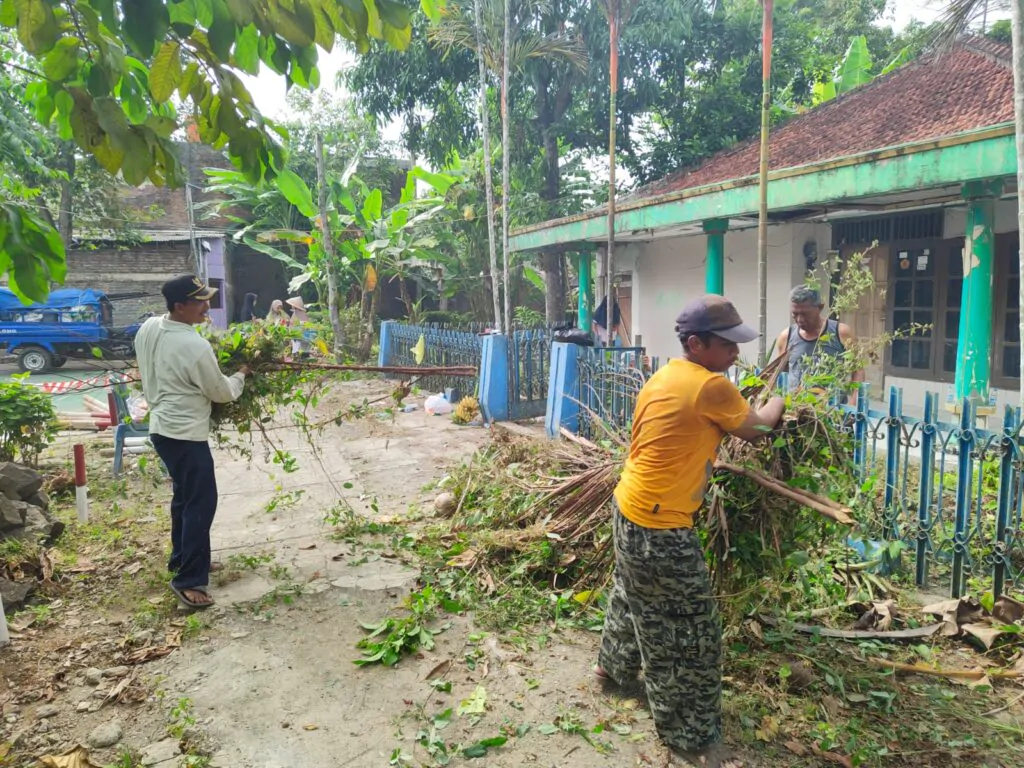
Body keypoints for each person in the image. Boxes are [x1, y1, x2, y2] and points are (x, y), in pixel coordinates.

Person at [595, 295, 785, 768]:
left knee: (633, 594)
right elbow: (758, 429)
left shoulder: (663, 376)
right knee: (688, 631)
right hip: (660, 528)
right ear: (697, 344)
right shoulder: (710, 386)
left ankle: (612, 668)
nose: (736, 353)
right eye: (727, 345)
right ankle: (689, 736)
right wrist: (780, 401)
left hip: (628, 506)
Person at [134, 275, 250, 609]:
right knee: (201, 502)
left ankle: (184, 559)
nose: (206, 306)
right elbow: (221, 392)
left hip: (162, 429)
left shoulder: (149, 328)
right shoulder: (194, 345)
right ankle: (188, 581)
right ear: (179, 306)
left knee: (185, 499)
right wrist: (241, 374)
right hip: (185, 433)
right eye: (199, 302)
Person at [772, 285, 864, 393]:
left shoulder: (841, 333)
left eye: (805, 314)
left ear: (820, 308)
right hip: (796, 402)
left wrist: (854, 400)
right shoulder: (786, 337)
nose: (800, 319)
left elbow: (858, 370)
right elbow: (779, 375)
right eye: (795, 314)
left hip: (832, 403)